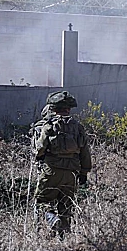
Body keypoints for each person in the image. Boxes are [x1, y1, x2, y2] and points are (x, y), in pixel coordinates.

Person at [31, 91, 92, 237]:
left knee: (42, 201)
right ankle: (64, 237)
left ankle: (52, 220)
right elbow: (85, 153)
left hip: (51, 170)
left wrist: (38, 155)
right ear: (68, 109)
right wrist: (84, 173)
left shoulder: (48, 125)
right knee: (66, 205)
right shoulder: (77, 127)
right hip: (72, 172)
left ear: (52, 108)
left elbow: (39, 149)